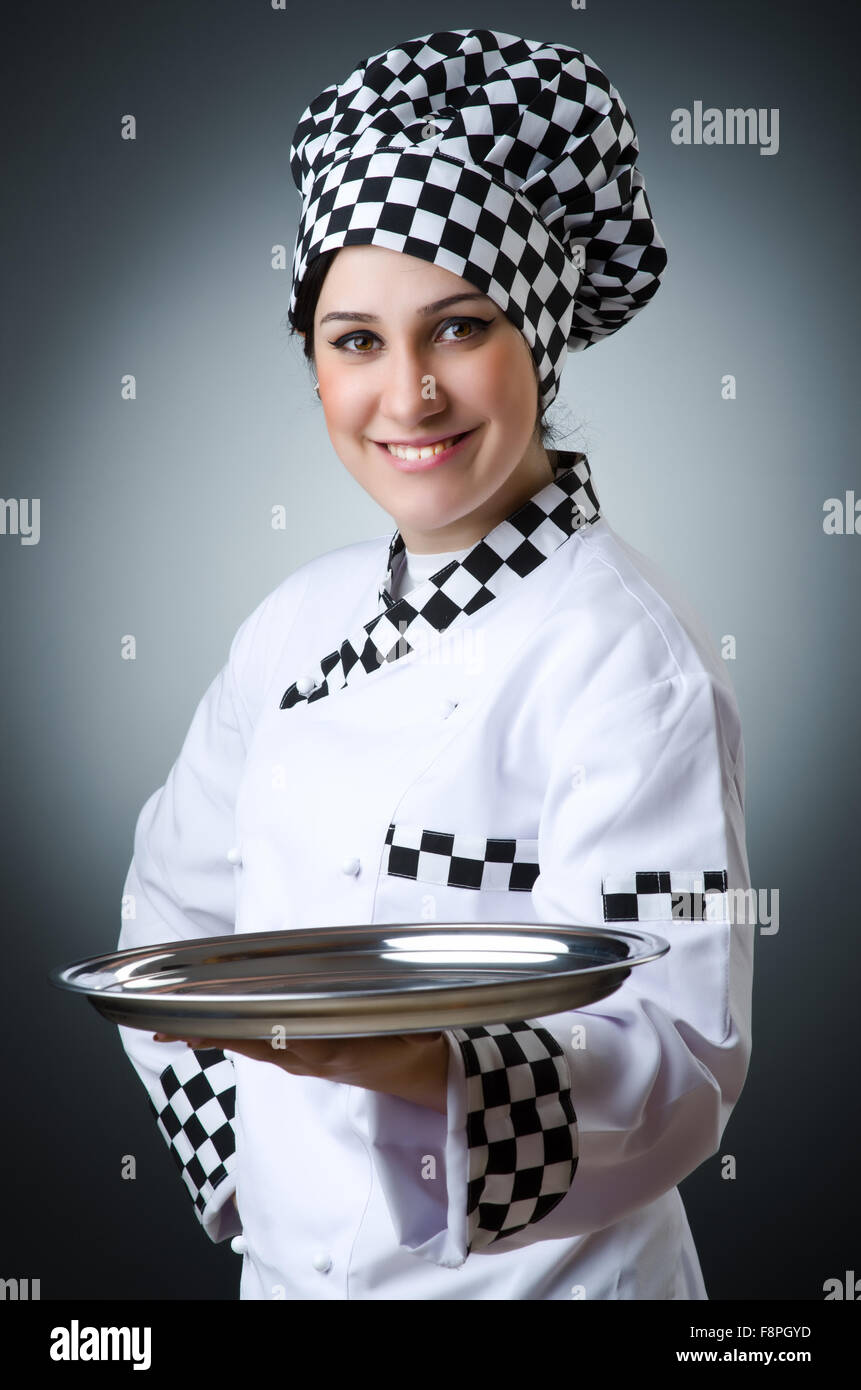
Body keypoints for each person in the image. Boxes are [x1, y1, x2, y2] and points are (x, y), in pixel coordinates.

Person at [116, 28, 753, 1300]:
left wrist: (420, 1063)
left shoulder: (627, 656)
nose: (406, 394)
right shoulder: (291, 625)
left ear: (538, 341)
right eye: (356, 340)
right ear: (313, 365)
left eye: (456, 328)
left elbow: (684, 1057)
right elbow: (167, 924)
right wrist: (252, 1180)